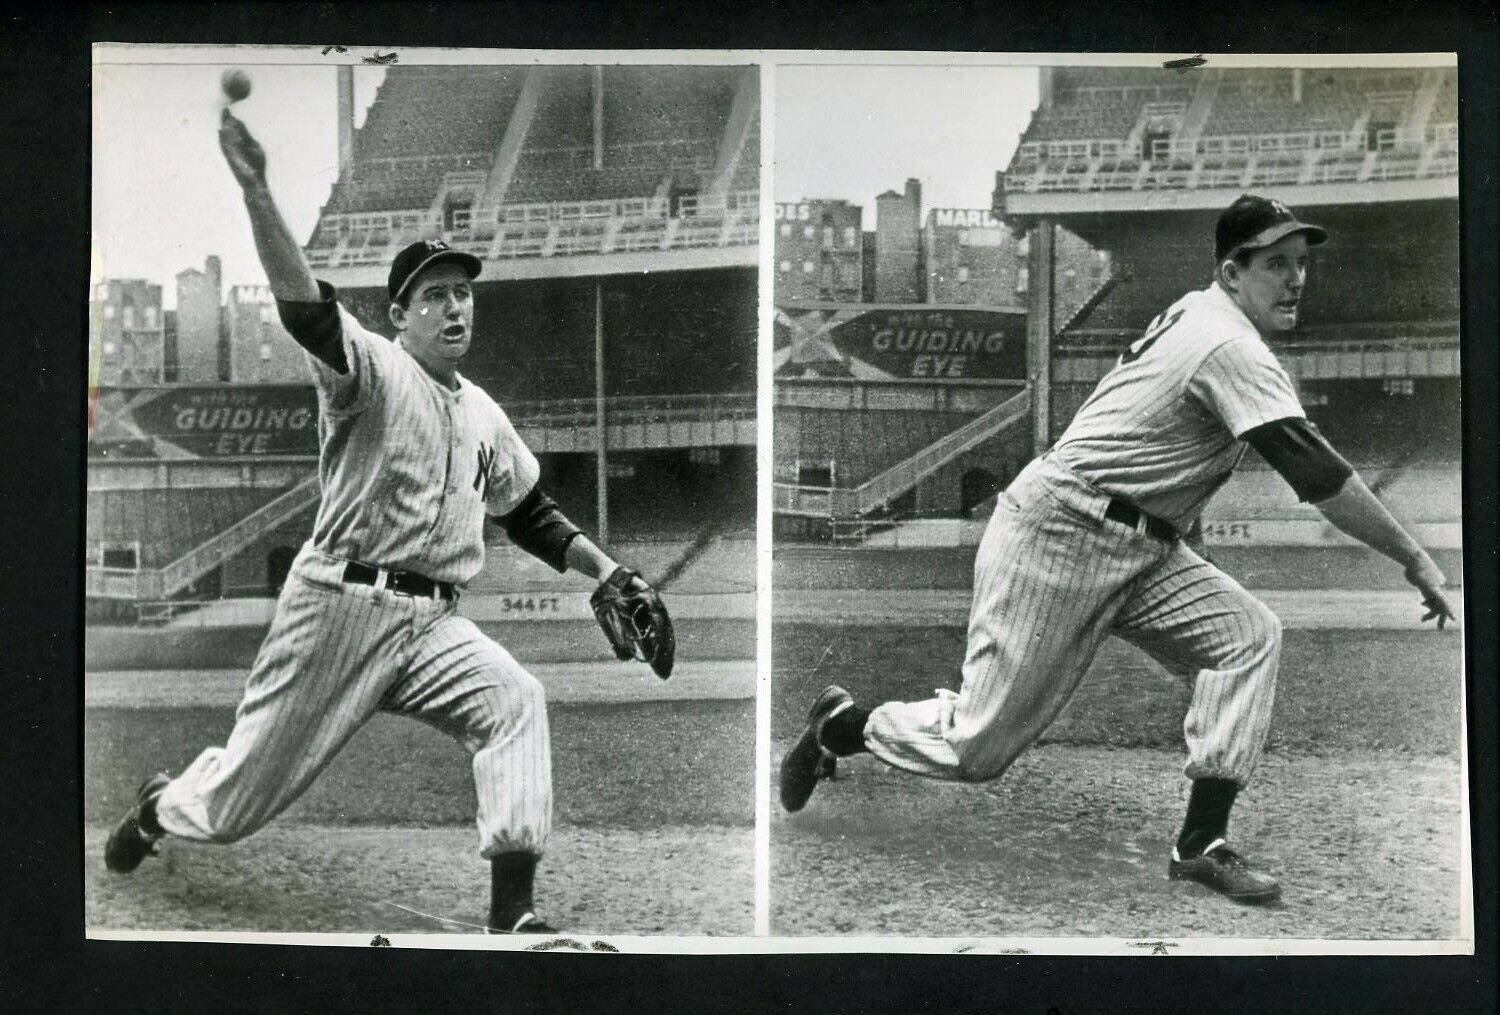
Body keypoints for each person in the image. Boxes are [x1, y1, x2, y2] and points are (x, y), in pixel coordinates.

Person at [780, 194, 1456, 905]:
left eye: (1301, 264)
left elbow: (1168, 455)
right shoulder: (1229, 343)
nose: (1295, 279)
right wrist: (1414, 555)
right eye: (1275, 264)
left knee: (1247, 637)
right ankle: (842, 725)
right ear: (1232, 272)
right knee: (975, 749)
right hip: (1062, 533)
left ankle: (1201, 844)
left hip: (1140, 544)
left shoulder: (1203, 315)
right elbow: (1317, 475)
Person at [104, 110, 670, 934]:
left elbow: (530, 511)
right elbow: (303, 309)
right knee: (233, 810)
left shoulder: (482, 412)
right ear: (399, 316)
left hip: (430, 624)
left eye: (463, 291)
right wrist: (259, 190)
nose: (455, 307)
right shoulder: (371, 370)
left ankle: (513, 914)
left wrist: (609, 570)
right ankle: (162, 806)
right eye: (434, 294)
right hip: (336, 610)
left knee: (516, 698)